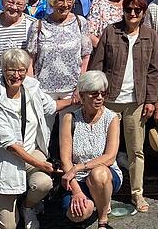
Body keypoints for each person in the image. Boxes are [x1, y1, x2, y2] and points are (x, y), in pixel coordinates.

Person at [88, 0, 158, 214]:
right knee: (102, 149)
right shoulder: (111, 31)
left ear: (143, 13)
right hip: (109, 100)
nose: (132, 14)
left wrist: (151, 99)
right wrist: (95, 95)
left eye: (137, 11)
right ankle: (102, 193)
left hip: (135, 101)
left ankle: (137, 193)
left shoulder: (150, 36)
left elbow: (154, 71)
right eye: (128, 9)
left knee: (136, 150)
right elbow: (97, 64)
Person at [0, 49, 72, 229]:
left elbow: (51, 106)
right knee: (8, 226)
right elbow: (11, 147)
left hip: (31, 152)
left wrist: (77, 100)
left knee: (43, 183)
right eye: (11, 70)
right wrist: (42, 165)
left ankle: (27, 206)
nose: (16, 75)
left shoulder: (32, 88)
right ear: (3, 70)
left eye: (21, 70)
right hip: (5, 162)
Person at [60, 71, 122, 228]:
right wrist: (77, 191)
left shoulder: (112, 118)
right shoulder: (70, 118)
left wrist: (79, 167)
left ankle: (103, 219)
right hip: (77, 179)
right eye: (94, 94)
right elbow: (65, 160)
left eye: (103, 93)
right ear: (82, 95)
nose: (100, 98)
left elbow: (110, 157)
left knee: (98, 173)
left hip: (105, 175)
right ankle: (96, 200)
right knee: (78, 214)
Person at [27, 0, 91, 105]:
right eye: (60, 1)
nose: (65, 5)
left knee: (68, 124)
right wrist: (32, 88)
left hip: (71, 89)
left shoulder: (80, 22)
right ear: (52, 2)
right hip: (44, 90)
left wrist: (80, 86)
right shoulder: (38, 25)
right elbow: (30, 59)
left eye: (69, 1)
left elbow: (86, 56)